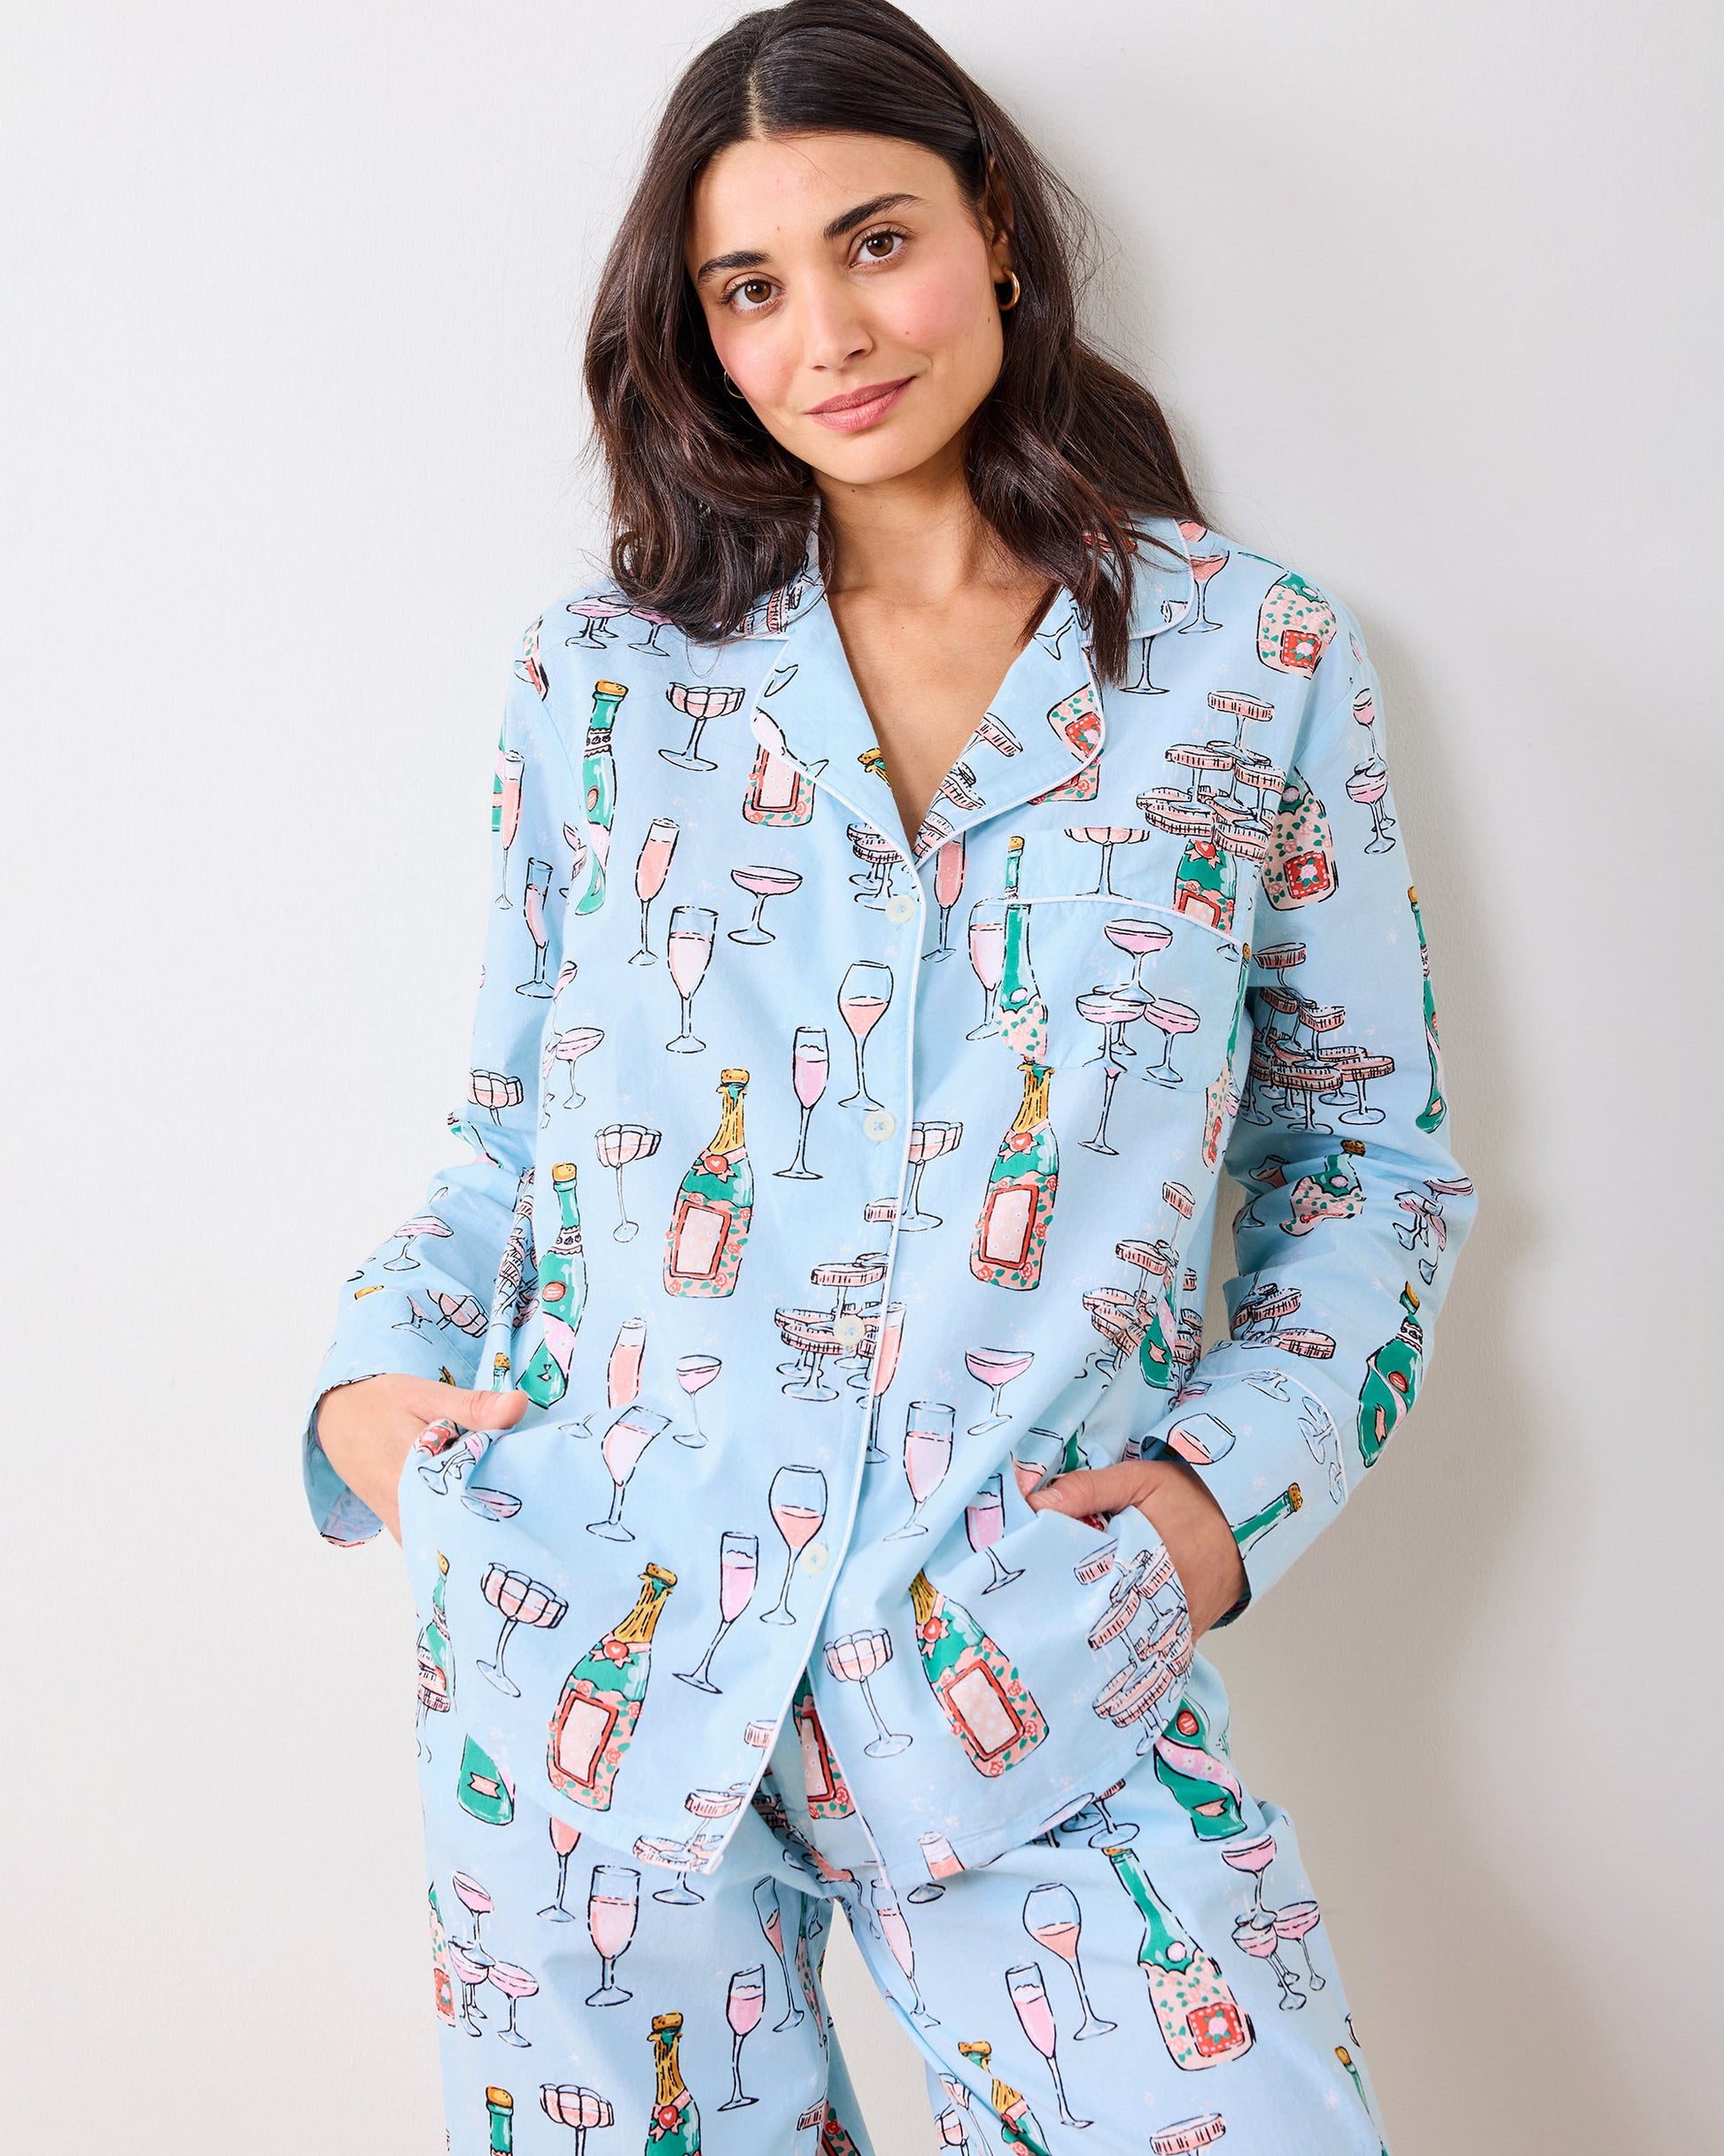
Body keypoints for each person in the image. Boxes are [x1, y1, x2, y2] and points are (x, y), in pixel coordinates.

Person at [302, 4, 1477, 2150]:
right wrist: (369, 1395)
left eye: (874, 242)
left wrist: (1214, 1508)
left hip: (1022, 1661)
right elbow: (508, 1141)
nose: (828, 334)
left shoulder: (1251, 661)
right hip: (593, 1669)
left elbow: (1369, 1164)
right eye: (749, 286)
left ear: (995, 229)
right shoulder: (608, 679)